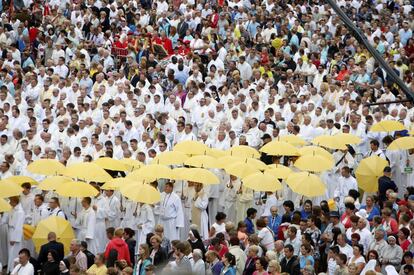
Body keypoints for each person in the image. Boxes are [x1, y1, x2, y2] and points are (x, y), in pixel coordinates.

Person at [7, 196, 25, 273]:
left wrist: (14, 238)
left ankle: (14, 269)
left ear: (14, 201)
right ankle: (10, 268)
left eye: (10, 200)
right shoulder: (12, 209)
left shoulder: (20, 212)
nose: (9, 202)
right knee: (10, 251)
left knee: (14, 251)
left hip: (15, 233)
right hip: (11, 231)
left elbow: (19, 226)